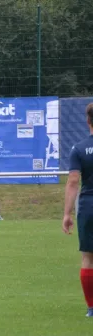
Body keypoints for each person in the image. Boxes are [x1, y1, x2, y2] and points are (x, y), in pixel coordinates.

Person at [63, 103, 93, 317]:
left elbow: (73, 180)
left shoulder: (79, 148)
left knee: (88, 258)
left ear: (87, 121)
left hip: (89, 206)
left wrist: (67, 213)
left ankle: (92, 308)